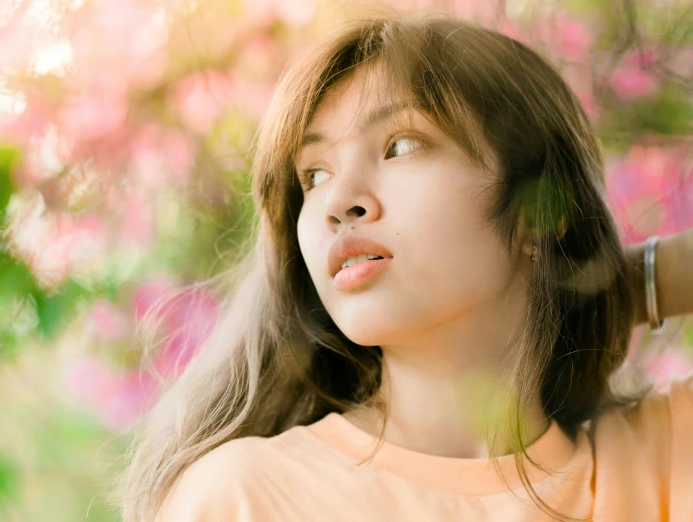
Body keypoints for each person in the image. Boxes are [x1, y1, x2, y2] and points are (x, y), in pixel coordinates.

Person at [113, 15, 693, 522]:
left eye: (402, 145)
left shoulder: (664, 457)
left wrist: (610, 286)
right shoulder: (244, 498)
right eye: (313, 175)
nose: (339, 202)